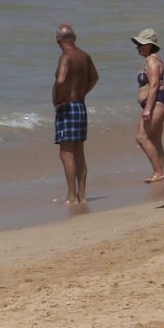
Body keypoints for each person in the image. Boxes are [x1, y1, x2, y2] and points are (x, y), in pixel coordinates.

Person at [51, 24, 98, 206]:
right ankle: (82, 195)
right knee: (79, 151)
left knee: (66, 153)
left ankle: (71, 196)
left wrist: (59, 100)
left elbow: (61, 80)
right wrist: (82, 92)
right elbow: (94, 77)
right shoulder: (84, 56)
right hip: (80, 105)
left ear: (58, 39)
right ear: (74, 38)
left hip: (67, 107)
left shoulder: (66, 57)